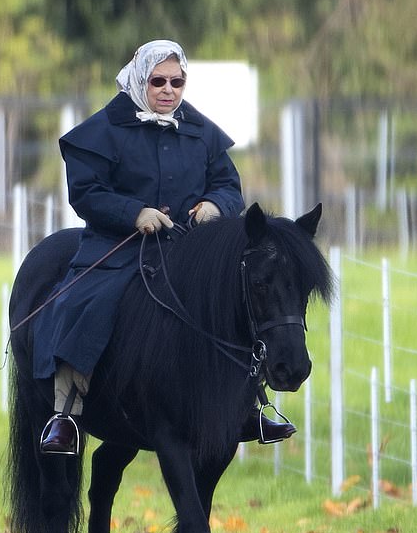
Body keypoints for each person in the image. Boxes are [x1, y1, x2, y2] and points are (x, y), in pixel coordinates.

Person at [33, 39, 294, 454]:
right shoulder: (102, 130)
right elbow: (85, 192)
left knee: (237, 303)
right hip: (118, 247)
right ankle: (67, 412)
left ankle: (249, 405)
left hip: (188, 249)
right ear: (141, 80)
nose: (168, 90)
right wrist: (134, 212)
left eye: (177, 81)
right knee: (85, 306)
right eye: (158, 81)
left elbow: (229, 186)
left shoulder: (202, 131)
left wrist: (214, 204)